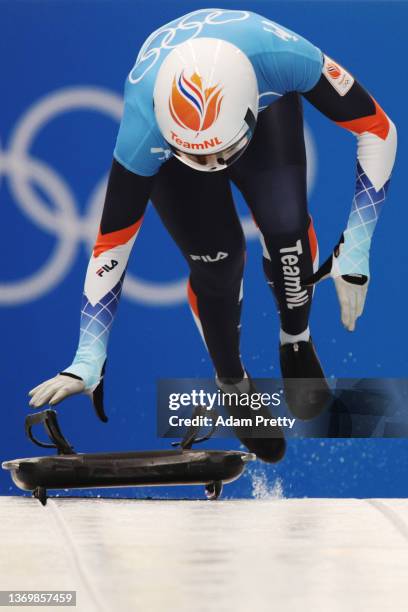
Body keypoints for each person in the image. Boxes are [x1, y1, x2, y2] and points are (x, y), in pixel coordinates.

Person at [28, 9, 397, 461]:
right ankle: (231, 379)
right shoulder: (144, 126)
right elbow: (112, 246)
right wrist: (88, 356)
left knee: (286, 227)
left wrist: (357, 246)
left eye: (224, 152)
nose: (216, 166)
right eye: (201, 158)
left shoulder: (286, 58)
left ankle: (295, 338)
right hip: (174, 139)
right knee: (218, 262)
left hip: (261, 102)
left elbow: (379, 130)